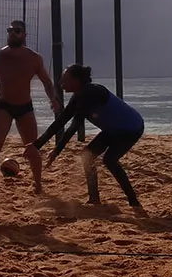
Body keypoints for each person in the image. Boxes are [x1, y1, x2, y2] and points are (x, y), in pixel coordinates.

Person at [31, 64, 145, 210]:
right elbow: (60, 122)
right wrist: (36, 146)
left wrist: (56, 152)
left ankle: (133, 201)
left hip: (131, 128)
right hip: (112, 129)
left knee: (109, 160)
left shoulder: (91, 93)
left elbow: (73, 127)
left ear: (77, 81)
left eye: (65, 79)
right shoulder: (78, 96)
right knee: (87, 155)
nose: (60, 83)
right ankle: (94, 198)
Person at [0, 19, 60, 199]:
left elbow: (47, 83)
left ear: (24, 35)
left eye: (17, 31)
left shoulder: (34, 58)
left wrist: (54, 99)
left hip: (25, 107)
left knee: (32, 148)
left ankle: (38, 185)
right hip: (4, 106)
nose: (12, 33)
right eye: (10, 30)